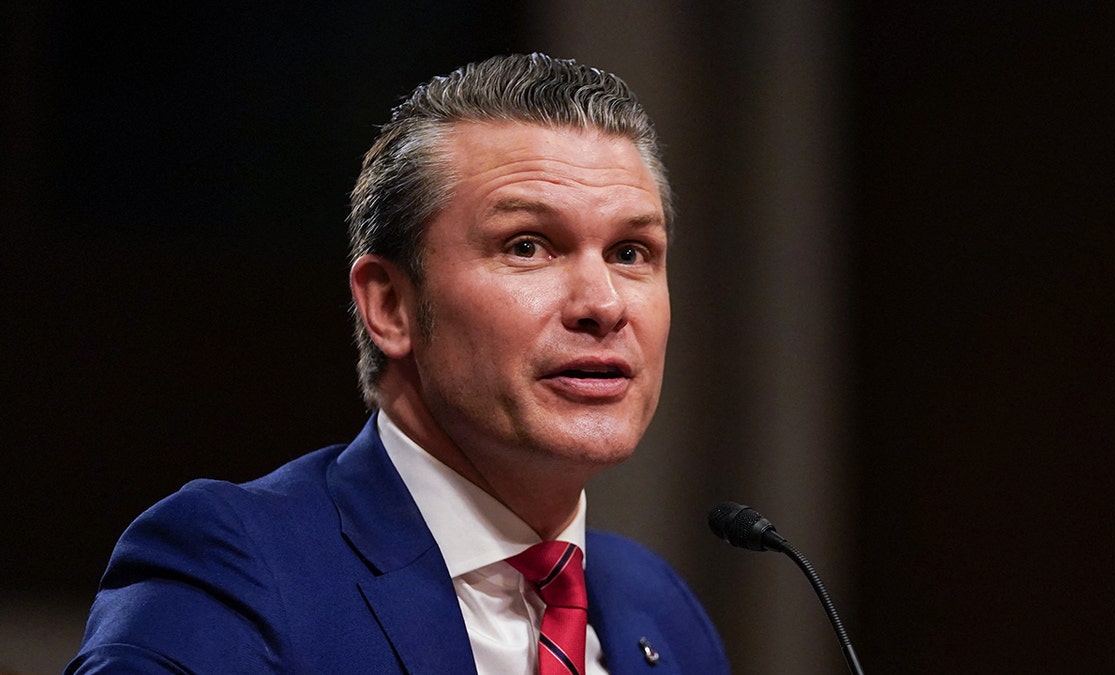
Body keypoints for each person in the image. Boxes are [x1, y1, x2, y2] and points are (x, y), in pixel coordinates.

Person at [67, 53, 730, 674]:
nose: (603, 304)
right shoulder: (234, 571)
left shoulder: (664, 613)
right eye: (528, 245)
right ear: (390, 305)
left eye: (631, 252)